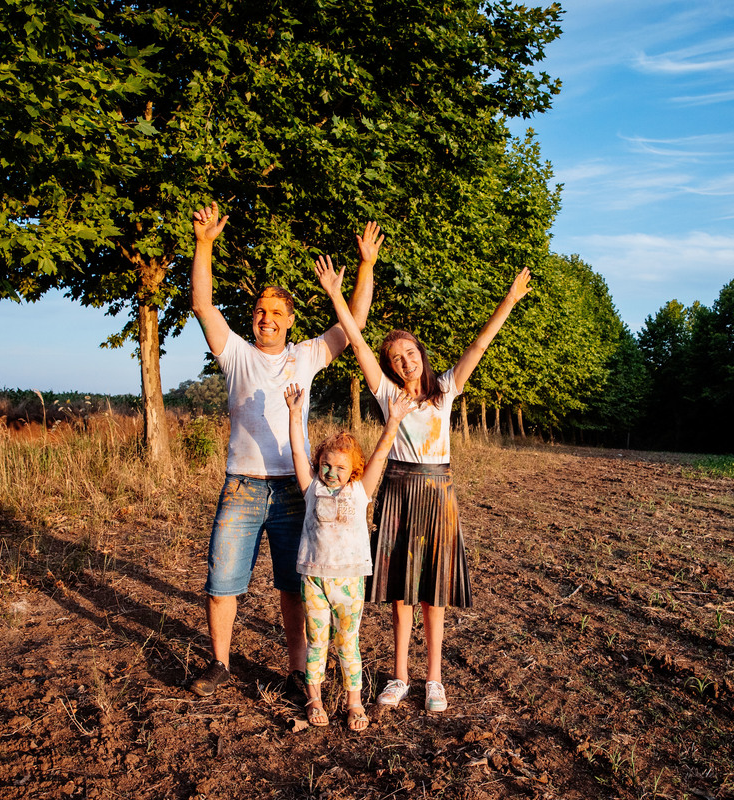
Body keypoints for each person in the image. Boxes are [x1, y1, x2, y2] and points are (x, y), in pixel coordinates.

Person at [313, 254, 531, 712]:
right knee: (400, 593)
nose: (404, 361)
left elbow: (479, 345)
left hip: (438, 495)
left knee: (434, 593)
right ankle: (399, 677)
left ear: (421, 356)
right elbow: (356, 343)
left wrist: (509, 300)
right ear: (391, 367)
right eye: (396, 358)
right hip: (397, 493)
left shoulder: (446, 389)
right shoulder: (387, 393)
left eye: (410, 353)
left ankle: (434, 680)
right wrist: (336, 293)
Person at [188, 202, 384, 699]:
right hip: (242, 485)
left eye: (277, 312)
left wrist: (364, 267)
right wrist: (205, 244)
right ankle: (219, 664)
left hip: (298, 491)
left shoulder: (306, 356)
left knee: (294, 584)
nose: (266, 317)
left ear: (291, 321)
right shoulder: (234, 353)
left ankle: (298, 671)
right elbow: (203, 307)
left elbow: (353, 323)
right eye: (260, 310)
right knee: (223, 577)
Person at [283, 382, 411, 731]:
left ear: (354, 469)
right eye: (326, 465)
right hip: (314, 576)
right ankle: (314, 698)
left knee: (347, 642)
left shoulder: (359, 490)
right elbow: (297, 453)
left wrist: (394, 420)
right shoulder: (312, 488)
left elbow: (382, 454)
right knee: (317, 641)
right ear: (319, 464)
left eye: (341, 467)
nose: (332, 473)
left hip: (350, 579)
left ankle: (354, 702)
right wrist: (295, 415)